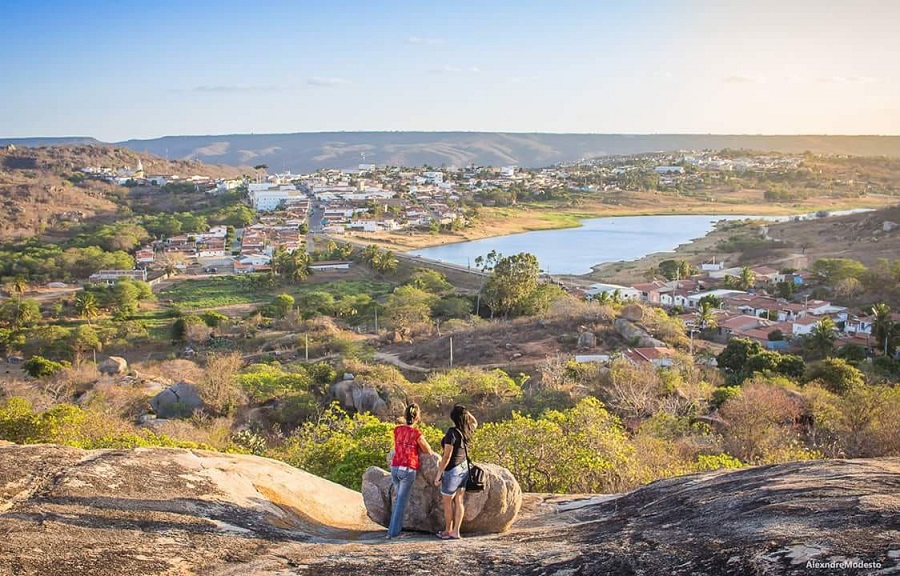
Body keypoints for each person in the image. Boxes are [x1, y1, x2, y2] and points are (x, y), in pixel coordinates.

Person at [387, 403, 435, 539]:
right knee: (401, 503)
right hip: (408, 469)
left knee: (398, 501)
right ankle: (392, 533)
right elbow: (427, 449)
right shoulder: (416, 433)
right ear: (417, 418)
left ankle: (392, 530)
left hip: (395, 468)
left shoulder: (397, 430)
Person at [433, 404, 477, 540]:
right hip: (464, 469)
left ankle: (447, 531)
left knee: (447, 503)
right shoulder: (467, 430)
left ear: (452, 417)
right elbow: (475, 422)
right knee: (459, 500)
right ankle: (456, 531)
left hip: (452, 470)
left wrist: (439, 475)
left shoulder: (451, 433)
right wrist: (466, 413)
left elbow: (446, 456)